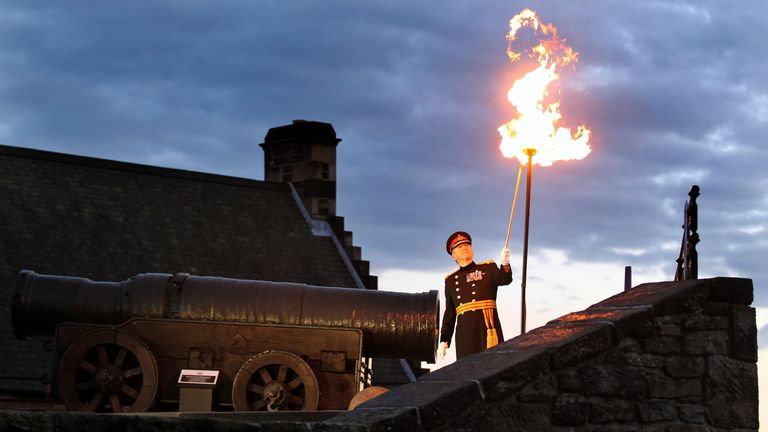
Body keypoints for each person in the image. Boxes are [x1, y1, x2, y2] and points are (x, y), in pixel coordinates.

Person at [438, 231, 512, 360]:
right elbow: (450, 313)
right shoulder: (450, 280)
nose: (465, 247)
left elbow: (505, 279)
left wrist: (504, 264)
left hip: (487, 328)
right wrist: (444, 340)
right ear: (454, 256)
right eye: (460, 247)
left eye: (467, 244)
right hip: (465, 334)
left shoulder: (488, 268)